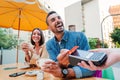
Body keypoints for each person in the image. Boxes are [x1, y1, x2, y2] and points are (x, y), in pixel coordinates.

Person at [41, 11, 95, 79]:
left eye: (59, 18)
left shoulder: (80, 36)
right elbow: (55, 67)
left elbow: (90, 68)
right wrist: (58, 65)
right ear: (49, 27)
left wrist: (64, 72)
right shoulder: (49, 44)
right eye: (53, 20)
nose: (57, 20)